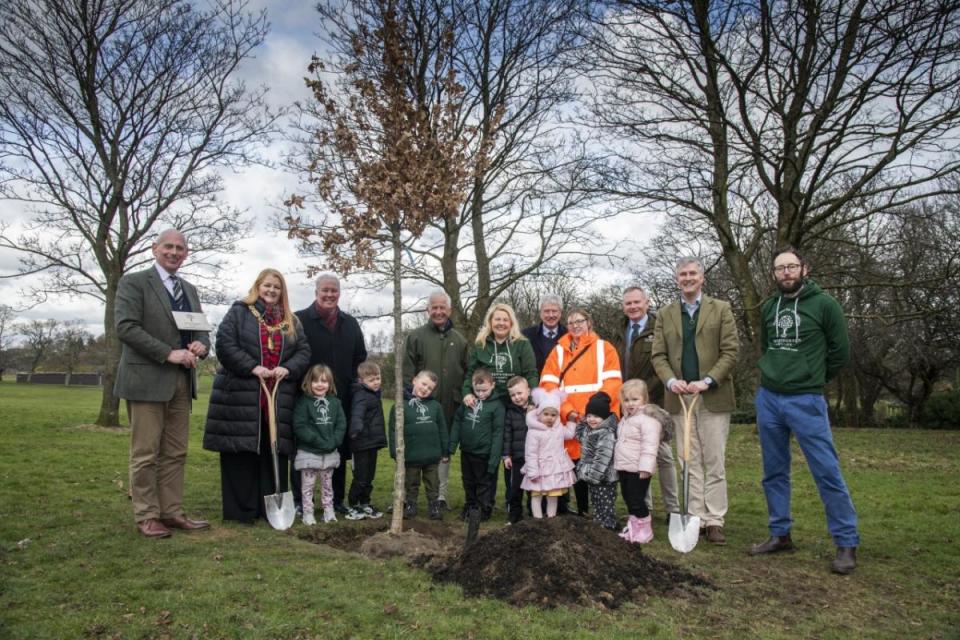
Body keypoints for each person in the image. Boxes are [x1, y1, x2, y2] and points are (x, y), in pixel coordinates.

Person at [749, 247, 859, 575]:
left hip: (806, 399)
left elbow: (840, 351)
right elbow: (767, 345)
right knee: (774, 471)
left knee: (826, 470)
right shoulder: (769, 307)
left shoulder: (825, 305)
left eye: (791, 267)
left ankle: (846, 541)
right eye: (780, 268)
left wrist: (814, 378)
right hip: (769, 399)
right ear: (774, 274)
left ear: (804, 269)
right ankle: (780, 534)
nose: (786, 272)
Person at [115, 229, 212, 538]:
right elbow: (126, 328)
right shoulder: (134, 283)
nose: (174, 252)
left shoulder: (189, 289)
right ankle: (147, 515)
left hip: (182, 382)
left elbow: (200, 329)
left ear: (186, 253)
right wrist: (168, 353)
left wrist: (201, 346)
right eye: (168, 247)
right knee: (145, 453)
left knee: (175, 452)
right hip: (147, 379)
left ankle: (171, 512)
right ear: (154, 249)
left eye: (180, 248)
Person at [203, 268, 311, 524]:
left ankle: (268, 507)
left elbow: (304, 351)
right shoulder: (240, 312)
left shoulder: (291, 321)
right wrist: (252, 367)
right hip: (242, 395)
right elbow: (225, 344)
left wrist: (289, 368)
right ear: (258, 286)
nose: (272, 290)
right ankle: (242, 510)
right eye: (267, 285)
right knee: (241, 451)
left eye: (277, 287)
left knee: (272, 450)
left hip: (277, 396)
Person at [651, 257, 739, 545]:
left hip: (711, 396)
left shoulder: (721, 309)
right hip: (680, 397)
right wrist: (670, 380)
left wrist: (708, 380)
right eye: (682, 274)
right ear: (677, 279)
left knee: (714, 459)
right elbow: (659, 355)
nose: (687, 278)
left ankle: (715, 520)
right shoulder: (666, 314)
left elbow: (730, 351)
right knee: (688, 459)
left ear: (702, 278)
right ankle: (695, 516)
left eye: (692, 273)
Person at [540, 308, 623, 516]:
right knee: (575, 463)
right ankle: (582, 510)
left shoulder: (605, 348)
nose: (576, 325)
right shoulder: (558, 351)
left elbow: (613, 383)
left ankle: (603, 511)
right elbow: (549, 385)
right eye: (571, 322)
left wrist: (594, 412)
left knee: (599, 464)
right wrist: (568, 412)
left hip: (598, 420)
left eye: (580, 321)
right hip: (570, 419)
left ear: (589, 323)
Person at [296, 273, 367, 515]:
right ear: (316, 292)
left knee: (338, 448)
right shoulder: (300, 320)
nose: (329, 295)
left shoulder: (350, 323)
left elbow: (360, 357)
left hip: (340, 398)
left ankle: (335, 500)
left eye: (334, 291)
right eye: (325, 290)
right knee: (305, 448)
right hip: (307, 397)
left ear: (339, 293)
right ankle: (301, 500)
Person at [609, 286, 680, 522]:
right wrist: (627, 399)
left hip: (653, 401)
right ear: (623, 306)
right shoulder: (620, 331)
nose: (632, 307)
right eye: (628, 303)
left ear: (647, 303)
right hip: (628, 403)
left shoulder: (659, 327)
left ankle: (673, 508)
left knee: (663, 455)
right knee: (637, 455)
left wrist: (645, 396)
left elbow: (665, 362)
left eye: (637, 302)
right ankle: (644, 507)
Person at [462, 302, 538, 511]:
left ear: (511, 322)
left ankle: (517, 499)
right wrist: (467, 392)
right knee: (494, 451)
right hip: (490, 404)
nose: (501, 323)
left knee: (515, 451)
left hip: (516, 404)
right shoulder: (481, 345)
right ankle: (487, 500)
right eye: (497, 319)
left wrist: (531, 400)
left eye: (505, 319)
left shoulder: (522, 344)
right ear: (490, 322)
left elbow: (531, 372)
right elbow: (471, 373)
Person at [402, 290, 468, 510]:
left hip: (449, 405)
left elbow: (467, 372)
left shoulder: (459, 340)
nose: (439, 312)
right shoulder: (416, 337)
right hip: (419, 406)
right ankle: (406, 497)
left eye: (443, 308)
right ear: (427, 310)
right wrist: (409, 397)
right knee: (414, 448)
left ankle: (440, 496)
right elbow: (406, 370)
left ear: (449, 310)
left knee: (444, 449)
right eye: (434, 307)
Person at [615, 379, 670, 544]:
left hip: (638, 469)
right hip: (625, 466)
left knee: (637, 500)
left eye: (635, 399)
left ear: (644, 399)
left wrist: (646, 468)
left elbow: (650, 446)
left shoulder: (648, 420)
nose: (630, 404)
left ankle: (645, 530)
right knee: (628, 498)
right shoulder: (626, 418)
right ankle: (634, 527)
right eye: (626, 400)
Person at [389, 370, 449, 520]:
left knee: (433, 483)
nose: (425, 389)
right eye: (424, 384)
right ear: (415, 380)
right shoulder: (400, 405)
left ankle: (434, 506)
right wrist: (395, 452)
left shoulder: (435, 406)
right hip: (410, 455)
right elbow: (393, 431)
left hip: (432, 455)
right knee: (411, 483)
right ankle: (410, 505)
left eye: (430, 388)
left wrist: (445, 451)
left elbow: (442, 429)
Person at [293, 364, 347, 525]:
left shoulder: (335, 403)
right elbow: (299, 426)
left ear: (330, 384)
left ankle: (328, 511)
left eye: (324, 381)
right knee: (308, 486)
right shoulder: (303, 403)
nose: (319, 384)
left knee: (327, 485)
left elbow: (341, 424)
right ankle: (308, 513)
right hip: (309, 453)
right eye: (315, 381)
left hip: (329, 452)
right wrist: (317, 441)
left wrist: (334, 441)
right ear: (308, 382)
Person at [449, 368, 505, 520]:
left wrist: (494, 459)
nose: (480, 394)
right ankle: (470, 505)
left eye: (484, 390)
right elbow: (458, 421)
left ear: (493, 385)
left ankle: (483, 509)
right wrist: (452, 446)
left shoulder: (497, 407)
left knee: (483, 483)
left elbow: (498, 433)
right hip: (467, 450)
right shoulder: (468, 402)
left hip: (484, 454)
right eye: (477, 390)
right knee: (468, 481)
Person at [521, 387, 577, 519]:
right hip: (539, 469)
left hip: (554, 469)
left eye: (553, 415)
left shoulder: (558, 428)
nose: (550, 418)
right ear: (539, 414)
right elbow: (531, 453)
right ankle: (538, 519)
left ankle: (551, 520)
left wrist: (571, 422)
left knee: (553, 494)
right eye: (546, 414)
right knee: (537, 494)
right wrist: (533, 471)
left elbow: (569, 434)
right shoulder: (534, 432)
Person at [346, 361, 387, 520]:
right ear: (361, 381)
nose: (376, 382)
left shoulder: (374, 394)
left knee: (369, 476)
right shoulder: (361, 394)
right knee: (360, 476)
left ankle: (365, 503)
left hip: (372, 442)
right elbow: (357, 413)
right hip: (361, 443)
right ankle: (353, 504)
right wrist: (355, 430)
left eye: (378, 378)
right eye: (372, 380)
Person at [575, 392, 619, 531]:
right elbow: (579, 435)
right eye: (589, 416)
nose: (591, 419)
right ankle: (599, 523)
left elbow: (602, 458)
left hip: (604, 478)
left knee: (605, 503)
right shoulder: (590, 430)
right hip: (593, 477)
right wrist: (583, 420)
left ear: (604, 417)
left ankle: (608, 526)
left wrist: (593, 476)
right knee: (596, 501)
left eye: (596, 416)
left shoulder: (606, 433)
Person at [502, 375, 533, 524]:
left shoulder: (537, 410)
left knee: (534, 489)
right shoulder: (510, 412)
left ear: (528, 391)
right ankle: (514, 515)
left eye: (519, 393)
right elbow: (507, 435)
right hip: (517, 458)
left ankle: (535, 513)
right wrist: (506, 455)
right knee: (515, 489)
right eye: (513, 395)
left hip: (534, 458)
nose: (517, 397)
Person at [521, 293, 567, 373]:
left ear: (560, 313)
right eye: (546, 311)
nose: (551, 315)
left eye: (554, 311)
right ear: (540, 313)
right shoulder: (526, 335)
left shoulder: (569, 335)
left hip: (562, 383)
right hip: (535, 384)